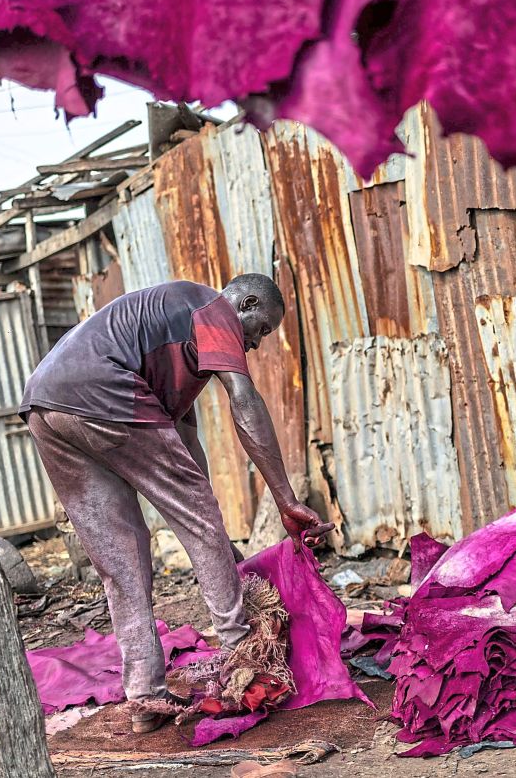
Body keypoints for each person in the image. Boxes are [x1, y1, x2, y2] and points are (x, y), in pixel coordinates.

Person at [19, 274, 334, 732]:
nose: (257, 345)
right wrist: (285, 500)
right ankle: (244, 655)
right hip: (100, 388)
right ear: (243, 305)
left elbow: (187, 457)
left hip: (46, 405)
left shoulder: (174, 345)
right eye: (261, 329)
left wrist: (215, 539)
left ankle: (145, 697)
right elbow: (244, 401)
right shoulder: (213, 311)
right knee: (191, 521)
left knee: (121, 562)